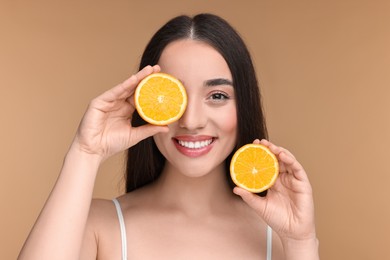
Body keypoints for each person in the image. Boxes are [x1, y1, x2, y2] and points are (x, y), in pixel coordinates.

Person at [18, 13, 319, 260]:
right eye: (175, 96)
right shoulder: (100, 226)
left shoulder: (278, 236)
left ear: (245, 105)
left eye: (217, 95)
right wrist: (85, 153)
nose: (191, 121)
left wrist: (301, 242)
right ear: (147, 103)